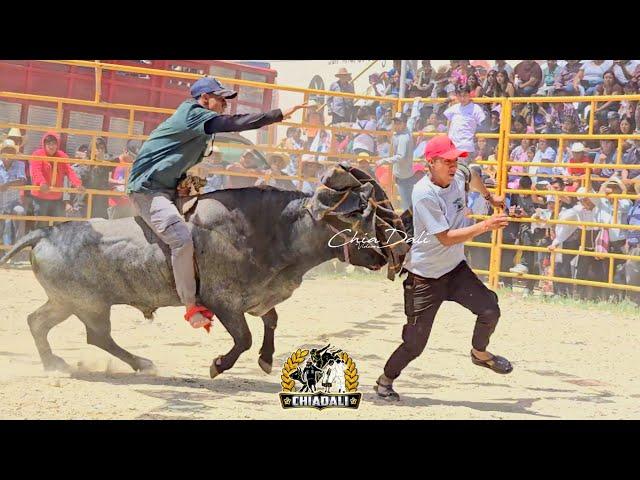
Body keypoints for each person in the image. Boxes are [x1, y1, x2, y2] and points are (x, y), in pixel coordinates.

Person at [126, 76, 310, 331]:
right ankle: (191, 306)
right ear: (204, 99)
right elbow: (233, 123)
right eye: (221, 99)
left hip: (168, 188)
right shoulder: (193, 114)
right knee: (180, 237)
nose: (225, 104)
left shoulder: (198, 122)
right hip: (147, 190)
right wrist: (278, 114)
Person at [375, 135, 512, 401]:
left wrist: (489, 197)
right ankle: (385, 380)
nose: (453, 165)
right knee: (415, 343)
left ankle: (479, 354)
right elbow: (446, 238)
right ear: (431, 163)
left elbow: (471, 173)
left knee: (489, 309)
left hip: (454, 269)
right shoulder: (424, 193)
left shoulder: (458, 173)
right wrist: (486, 225)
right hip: (424, 277)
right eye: (447, 161)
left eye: (454, 159)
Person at [29, 131, 84, 227]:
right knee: (41, 225)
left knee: (58, 225)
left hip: (56, 197)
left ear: (57, 144)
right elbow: (36, 171)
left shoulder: (62, 156)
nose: (51, 146)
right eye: (48, 143)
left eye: (54, 143)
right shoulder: (37, 154)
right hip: (41, 197)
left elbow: (70, 171)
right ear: (44, 144)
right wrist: (42, 183)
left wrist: (77, 184)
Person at [443, 85, 486, 163]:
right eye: (460, 96)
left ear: (469, 95)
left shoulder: (475, 108)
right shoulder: (454, 108)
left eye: (465, 96)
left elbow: (484, 124)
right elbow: (447, 121)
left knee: (461, 170)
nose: (462, 99)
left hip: (465, 146)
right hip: (452, 146)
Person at [0, 139, 27, 246]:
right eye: (5, 150)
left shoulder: (20, 164)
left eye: (11, 151)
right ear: (1, 153)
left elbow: (22, 181)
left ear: (14, 153)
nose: (8, 153)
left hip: (13, 202)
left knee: (20, 212)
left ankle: (18, 244)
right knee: (5, 223)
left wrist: (6, 185)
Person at [107, 140, 140, 219]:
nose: (133, 159)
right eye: (131, 155)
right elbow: (107, 179)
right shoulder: (114, 161)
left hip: (129, 205)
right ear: (125, 151)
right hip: (115, 203)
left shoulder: (133, 164)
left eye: (135, 156)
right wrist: (120, 182)